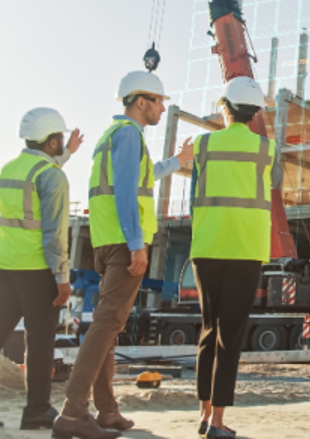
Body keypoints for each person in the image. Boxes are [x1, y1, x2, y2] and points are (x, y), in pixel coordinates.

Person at [54, 71, 193, 439]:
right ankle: (72, 412)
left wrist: (177, 161)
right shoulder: (130, 134)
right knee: (105, 326)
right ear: (140, 101)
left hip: (105, 241)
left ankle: (107, 409)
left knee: (107, 327)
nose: (163, 108)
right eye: (159, 101)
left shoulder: (111, 136)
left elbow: (141, 179)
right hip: (123, 242)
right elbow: (127, 193)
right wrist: (136, 244)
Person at [191, 77, 279, 438]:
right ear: (256, 112)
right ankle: (218, 423)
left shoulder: (203, 144)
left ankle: (203, 414)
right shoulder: (266, 149)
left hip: (208, 247)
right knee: (231, 333)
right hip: (245, 250)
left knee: (208, 331)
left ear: (224, 107)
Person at [0, 108, 82, 430]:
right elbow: (54, 236)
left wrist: (67, 155)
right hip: (37, 271)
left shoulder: (9, 169)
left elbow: (37, 181)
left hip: (5, 268)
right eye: (59, 140)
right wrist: (62, 279)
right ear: (51, 141)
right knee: (40, 341)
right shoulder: (53, 177)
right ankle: (36, 410)